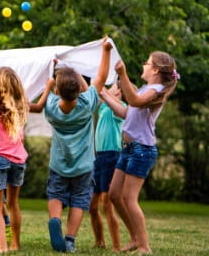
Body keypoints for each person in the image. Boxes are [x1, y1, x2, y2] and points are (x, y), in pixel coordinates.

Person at [105, 51, 178, 254]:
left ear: (155, 70)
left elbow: (135, 101)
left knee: (129, 198)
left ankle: (144, 246)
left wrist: (123, 74)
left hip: (142, 150)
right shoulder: (147, 88)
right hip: (128, 149)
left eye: (147, 62)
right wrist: (103, 92)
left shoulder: (155, 90)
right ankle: (135, 238)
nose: (143, 65)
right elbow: (126, 112)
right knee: (114, 195)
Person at [44, 38, 112, 253]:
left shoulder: (51, 108)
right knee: (79, 200)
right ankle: (70, 239)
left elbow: (53, 89)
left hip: (59, 164)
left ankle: (55, 219)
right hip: (83, 165)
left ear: (57, 90)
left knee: (56, 193)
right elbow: (99, 79)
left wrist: (51, 69)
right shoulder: (86, 104)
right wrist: (106, 50)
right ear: (78, 90)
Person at [0, 66, 32, 253]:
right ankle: (15, 244)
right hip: (19, 159)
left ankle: (2, 246)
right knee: (13, 203)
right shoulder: (21, 105)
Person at [89, 82, 126, 252]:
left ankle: (117, 246)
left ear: (118, 92)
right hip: (99, 158)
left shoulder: (120, 108)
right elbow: (94, 90)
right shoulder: (103, 108)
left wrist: (105, 92)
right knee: (92, 205)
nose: (105, 87)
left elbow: (100, 90)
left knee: (107, 203)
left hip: (112, 156)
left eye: (110, 86)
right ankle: (99, 241)